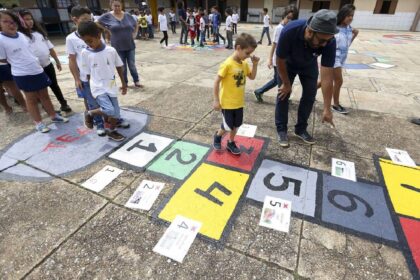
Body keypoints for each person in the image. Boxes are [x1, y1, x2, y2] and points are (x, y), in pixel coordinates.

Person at [275, 9, 337, 147]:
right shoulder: (290, 31)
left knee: (310, 95)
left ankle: (301, 129)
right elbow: (279, 60)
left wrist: (327, 108)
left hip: (309, 65)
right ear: (309, 31)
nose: (324, 45)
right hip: (287, 65)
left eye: (328, 40)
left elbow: (327, 77)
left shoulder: (329, 41)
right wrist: (286, 84)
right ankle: (281, 130)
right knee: (283, 94)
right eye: (321, 40)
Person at [0, 10, 68, 133]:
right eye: (6, 22)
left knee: (45, 96)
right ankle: (39, 123)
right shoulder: (1, 39)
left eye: (13, 22)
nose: (11, 24)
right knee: (31, 99)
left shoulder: (20, 35)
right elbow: (3, 59)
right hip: (22, 74)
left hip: (37, 69)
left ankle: (53, 116)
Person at [78, 21, 128, 142]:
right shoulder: (85, 53)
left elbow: (119, 67)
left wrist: (124, 83)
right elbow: (87, 74)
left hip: (111, 84)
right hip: (97, 86)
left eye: (90, 40)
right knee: (109, 110)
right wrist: (89, 90)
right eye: (85, 42)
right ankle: (89, 113)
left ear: (98, 35)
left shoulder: (111, 50)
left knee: (115, 113)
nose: (88, 44)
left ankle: (112, 132)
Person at [212, 33, 259, 155]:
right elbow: (216, 82)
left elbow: (252, 77)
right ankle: (218, 136)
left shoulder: (244, 64)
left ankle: (231, 142)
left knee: (235, 125)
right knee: (227, 126)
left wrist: (255, 64)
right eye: (247, 53)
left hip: (239, 102)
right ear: (238, 48)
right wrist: (216, 100)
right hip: (227, 103)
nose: (248, 56)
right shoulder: (227, 64)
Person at [18, 9, 72, 113]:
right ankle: (47, 108)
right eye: (26, 19)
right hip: (35, 69)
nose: (30, 21)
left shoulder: (39, 33)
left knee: (54, 85)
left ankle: (63, 103)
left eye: (31, 19)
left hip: (47, 64)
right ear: (20, 21)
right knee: (41, 89)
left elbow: (50, 48)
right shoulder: (21, 37)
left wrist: (57, 60)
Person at [66, 6, 105, 136]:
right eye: (84, 19)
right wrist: (77, 79)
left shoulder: (97, 33)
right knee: (92, 102)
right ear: (75, 20)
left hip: (101, 76)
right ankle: (99, 123)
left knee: (107, 98)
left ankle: (112, 118)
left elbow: (103, 52)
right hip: (86, 78)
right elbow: (72, 60)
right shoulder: (71, 39)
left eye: (90, 19)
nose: (88, 22)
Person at [254, 5, 297, 102]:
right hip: (278, 60)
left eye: (292, 19)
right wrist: (270, 59)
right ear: (284, 16)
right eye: (288, 18)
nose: (290, 21)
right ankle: (282, 98)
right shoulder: (280, 28)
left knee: (277, 80)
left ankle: (260, 91)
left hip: (285, 59)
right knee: (281, 81)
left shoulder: (289, 28)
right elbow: (274, 44)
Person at [97, 0, 142, 88]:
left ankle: (136, 81)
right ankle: (124, 83)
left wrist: (135, 33)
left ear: (121, 6)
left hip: (130, 44)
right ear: (111, 6)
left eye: (119, 6)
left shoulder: (127, 15)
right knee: (122, 66)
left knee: (132, 65)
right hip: (117, 46)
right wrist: (106, 29)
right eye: (115, 6)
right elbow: (96, 23)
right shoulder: (107, 16)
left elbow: (136, 24)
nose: (117, 8)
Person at [331, 4, 359, 114]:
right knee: (338, 81)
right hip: (334, 57)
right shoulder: (334, 28)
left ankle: (310, 92)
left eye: (352, 15)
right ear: (342, 15)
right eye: (348, 15)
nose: (350, 18)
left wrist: (354, 35)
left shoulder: (349, 29)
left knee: (326, 80)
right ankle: (335, 104)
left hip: (342, 58)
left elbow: (347, 45)